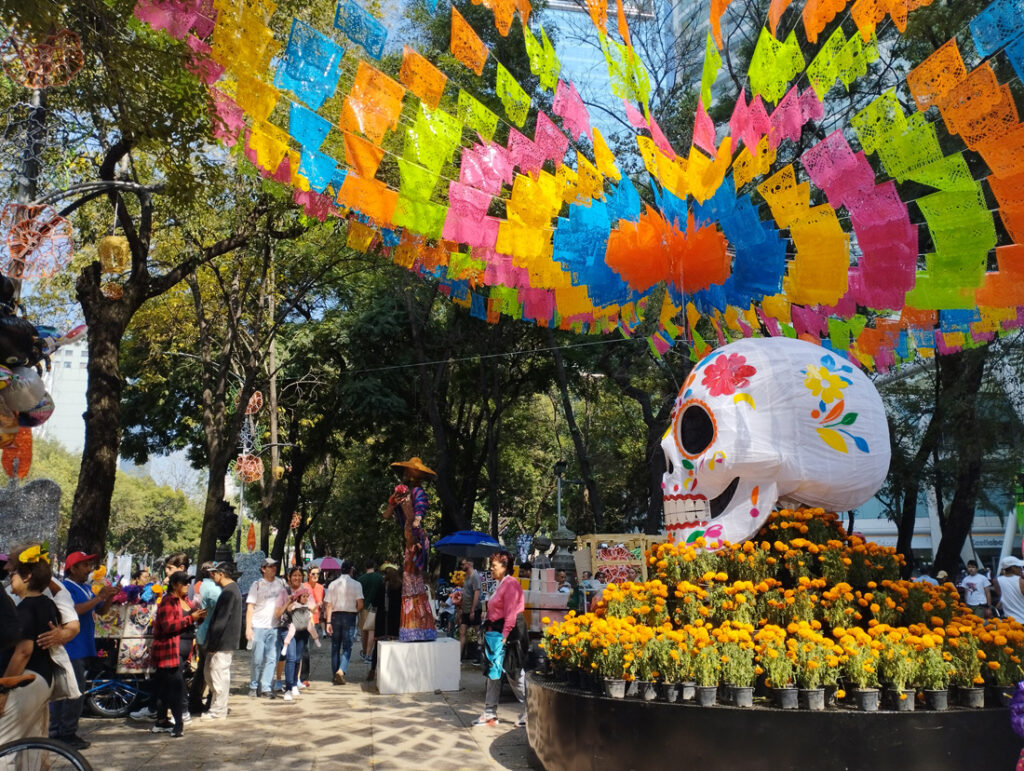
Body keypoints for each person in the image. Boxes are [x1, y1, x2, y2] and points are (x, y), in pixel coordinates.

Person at [52, 550, 115, 749]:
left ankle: (59, 730)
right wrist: (98, 598)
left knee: (71, 691)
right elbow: (74, 611)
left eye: (90, 565)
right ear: (73, 568)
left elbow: (101, 611)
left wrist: (109, 597)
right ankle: (64, 732)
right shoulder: (66, 588)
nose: (89, 569)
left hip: (82, 647)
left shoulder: (85, 587)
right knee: (73, 692)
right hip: (72, 648)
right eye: (85, 565)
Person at [0, 544, 58, 747]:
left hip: (24, 681)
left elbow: (23, 651)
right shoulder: (47, 604)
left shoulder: (26, 609)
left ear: (26, 577)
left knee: (4, 745)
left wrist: (3, 691)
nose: (9, 577)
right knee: (27, 747)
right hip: (41, 679)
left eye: (13, 573)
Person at [383, 456, 438, 642]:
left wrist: (416, 520)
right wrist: (393, 503)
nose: (408, 473)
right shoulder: (402, 494)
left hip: (416, 538)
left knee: (412, 577)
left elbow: (420, 511)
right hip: (409, 537)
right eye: (407, 471)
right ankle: (413, 625)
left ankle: (419, 625)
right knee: (409, 579)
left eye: (412, 471)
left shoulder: (418, 493)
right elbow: (387, 514)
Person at [473, 550, 527, 729]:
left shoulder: (510, 584)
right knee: (493, 672)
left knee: (513, 673)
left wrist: (504, 636)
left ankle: (531, 708)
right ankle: (490, 711)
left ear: (505, 567)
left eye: (494, 567)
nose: (491, 570)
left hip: (507, 633)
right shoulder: (501, 583)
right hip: (497, 632)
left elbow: (511, 613)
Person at [151, 571, 205, 737]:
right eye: (184, 582)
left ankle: (161, 722)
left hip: (181, 651)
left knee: (166, 687)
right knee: (175, 688)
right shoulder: (168, 601)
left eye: (188, 582)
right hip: (169, 652)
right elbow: (168, 627)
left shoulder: (185, 601)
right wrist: (191, 618)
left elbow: (187, 621)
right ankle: (178, 724)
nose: (187, 585)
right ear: (175, 584)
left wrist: (198, 617)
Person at [202, 562, 242, 721]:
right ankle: (217, 706)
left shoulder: (229, 592)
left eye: (214, 573)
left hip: (223, 641)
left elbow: (221, 621)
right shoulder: (230, 590)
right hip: (222, 641)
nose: (212, 576)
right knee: (211, 674)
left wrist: (212, 644)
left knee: (219, 675)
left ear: (221, 574)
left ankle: (219, 710)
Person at [246, 558, 286, 698]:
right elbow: (250, 607)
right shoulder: (257, 585)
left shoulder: (280, 583)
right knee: (257, 659)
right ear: (263, 569)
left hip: (274, 627)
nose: (273, 568)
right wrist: (248, 628)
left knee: (272, 658)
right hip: (258, 626)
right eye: (270, 566)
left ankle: (266, 687)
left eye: (275, 566)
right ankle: (253, 685)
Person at [275, 567, 316, 701]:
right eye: (294, 575)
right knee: (291, 657)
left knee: (298, 658)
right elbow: (277, 614)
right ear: (289, 577)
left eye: (299, 575)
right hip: (287, 628)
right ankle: (287, 689)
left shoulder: (306, 591)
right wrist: (288, 601)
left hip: (302, 629)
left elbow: (312, 608)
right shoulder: (284, 592)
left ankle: (293, 684)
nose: (297, 578)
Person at [188, 561, 221, 714]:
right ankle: (208, 701)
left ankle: (196, 700)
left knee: (203, 669)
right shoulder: (213, 588)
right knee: (211, 669)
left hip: (202, 631)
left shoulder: (198, 586)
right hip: (210, 633)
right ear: (212, 573)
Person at [324, 560, 363, 684]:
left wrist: (328, 622)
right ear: (351, 571)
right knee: (347, 646)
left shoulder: (332, 584)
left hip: (335, 616)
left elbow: (328, 605)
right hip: (349, 616)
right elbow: (360, 604)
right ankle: (341, 670)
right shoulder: (357, 584)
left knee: (335, 646)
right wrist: (355, 610)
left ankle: (335, 672)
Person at [367, 565, 402, 681]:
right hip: (395, 620)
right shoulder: (400, 587)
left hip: (382, 620)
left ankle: (373, 670)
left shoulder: (382, 586)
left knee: (378, 646)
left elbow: (375, 602)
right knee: (395, 645)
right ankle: (393, 671)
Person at [299, 566, 324, 687]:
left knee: (307, 650)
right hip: (304, 621)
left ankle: (303, 676)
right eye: (313, 574)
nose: (315, 576)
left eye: (317, 574)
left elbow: (321, 605)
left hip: (315, 622)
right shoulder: (303, 587)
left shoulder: (320, 588)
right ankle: (303, 677)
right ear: (308, 575)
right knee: (305, 649)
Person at [357, 559, 383, 663]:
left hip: (364, 606)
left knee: (364, 631)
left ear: (365, 567)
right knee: (372, 631)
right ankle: (368, 654)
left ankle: (364, 652)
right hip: (375, 607)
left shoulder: (360, 579)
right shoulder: (379, 578)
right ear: (374, 566)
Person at [459, 559, 482, 662]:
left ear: (469, 564)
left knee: (478, 632)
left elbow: (476, 593)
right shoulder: (466, 577)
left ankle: (480, 656)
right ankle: (459, 657)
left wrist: (473, 610)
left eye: (463, 564)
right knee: (462, 631)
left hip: (474, 609)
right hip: (466, 609)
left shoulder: (475, 576)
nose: (462, 566)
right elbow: (465, 593)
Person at [997, 557, 1024, 623]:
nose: (1021, 569)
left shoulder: (998, 580)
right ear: (1013, 568)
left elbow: (1003, 596)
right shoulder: (1021, 581)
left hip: (1009, 621)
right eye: (1019, 567)